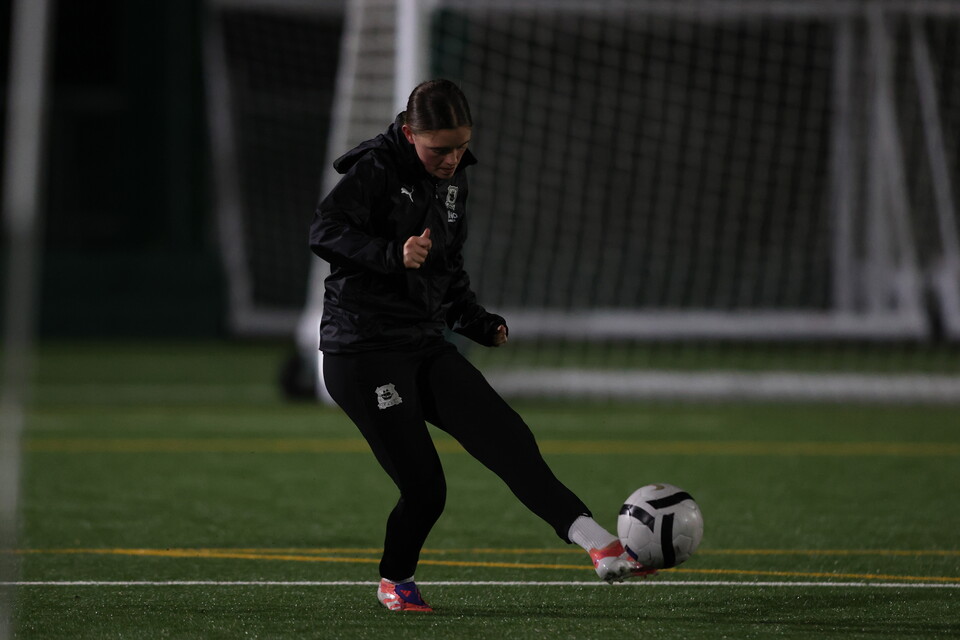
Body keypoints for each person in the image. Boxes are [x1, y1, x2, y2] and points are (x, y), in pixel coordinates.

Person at [309, 79, 653, 612]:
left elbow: (447, 270)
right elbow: (324, 231)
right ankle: (394, 580)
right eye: (438, 149)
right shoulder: (375, 169)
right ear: (408, 133)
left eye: (460, 145)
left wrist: (476, 322)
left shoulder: (452, 184)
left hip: (421, 343)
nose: (452, 159)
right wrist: (390, 254)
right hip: (363, 353)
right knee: (426, 489)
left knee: (507, 437)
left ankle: (600, 543)